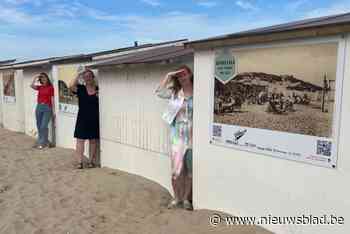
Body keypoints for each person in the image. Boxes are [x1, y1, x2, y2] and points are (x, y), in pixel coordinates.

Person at [155, 65, 194, 210]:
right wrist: (169, 75)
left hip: (193, 137)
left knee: (190, 171)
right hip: (177, 136)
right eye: (179, 76)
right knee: (176, 171)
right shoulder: (175, 93)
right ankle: (176, 198)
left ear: (190, 74)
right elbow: (158, 92)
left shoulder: (199, 91)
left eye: (184, 74)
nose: (182, 77)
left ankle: (186, 199)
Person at [69, 69, 99, 169]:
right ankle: (79, 162)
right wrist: (78, 74)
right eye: (85, 76)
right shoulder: (80, 88)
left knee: (93, 141)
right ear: (83, 78)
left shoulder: (98, 89)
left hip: (94, 118)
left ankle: (90, 162)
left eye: (90, 76)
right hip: (82, 118)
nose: (88, 78)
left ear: (93, 77)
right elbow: (71, 86)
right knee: (80, 140)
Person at [30, 72, 55, 149]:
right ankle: (45, 141)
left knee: (43, 126)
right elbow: (31, 85)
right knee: (39, 125)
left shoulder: (51, 87)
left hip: (47, 107)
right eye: (42, 78)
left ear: (47, 78)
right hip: (39, 106)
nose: (43, 79)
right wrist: (36, 77)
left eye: (45, 77)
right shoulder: (40, 87)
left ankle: (41, 143)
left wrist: (53, 111)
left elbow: (52, 99)